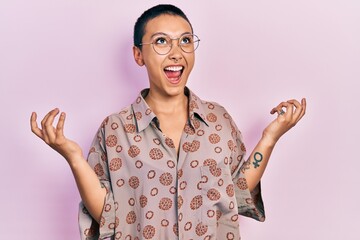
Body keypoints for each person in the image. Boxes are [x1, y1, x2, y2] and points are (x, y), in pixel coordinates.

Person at [30, 4, 306, 240]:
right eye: (162, 41)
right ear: (138, 55)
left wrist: (270, 138)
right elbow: (108, 214)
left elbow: (236, 190)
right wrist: (74, 157)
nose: (177, 52)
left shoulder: (218, 120)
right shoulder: (116, 129)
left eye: (185, 40)